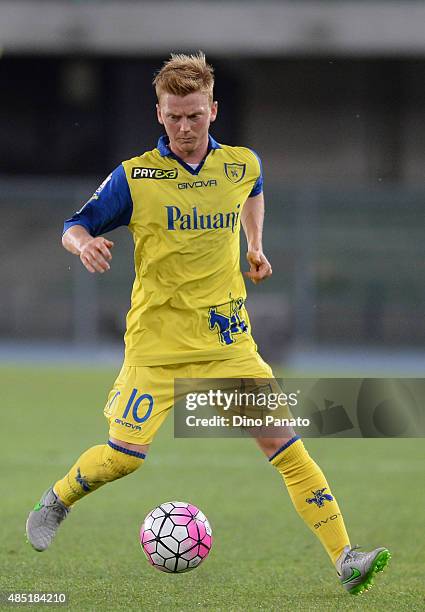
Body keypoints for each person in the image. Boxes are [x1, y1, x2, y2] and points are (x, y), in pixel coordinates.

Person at [26, 52, 390, 595]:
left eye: (194, 115)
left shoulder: (240, 163)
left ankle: (346, 558)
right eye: (173, 116)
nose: (184, 127)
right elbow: (73, 223)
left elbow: (254, 188)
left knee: (287, 447)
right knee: (124, 458)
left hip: (227, 342)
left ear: (213, 110)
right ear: (159, 114)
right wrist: (84, 246)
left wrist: (256, 246)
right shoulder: (136, 176)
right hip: (156, 344)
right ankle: (59, 497)